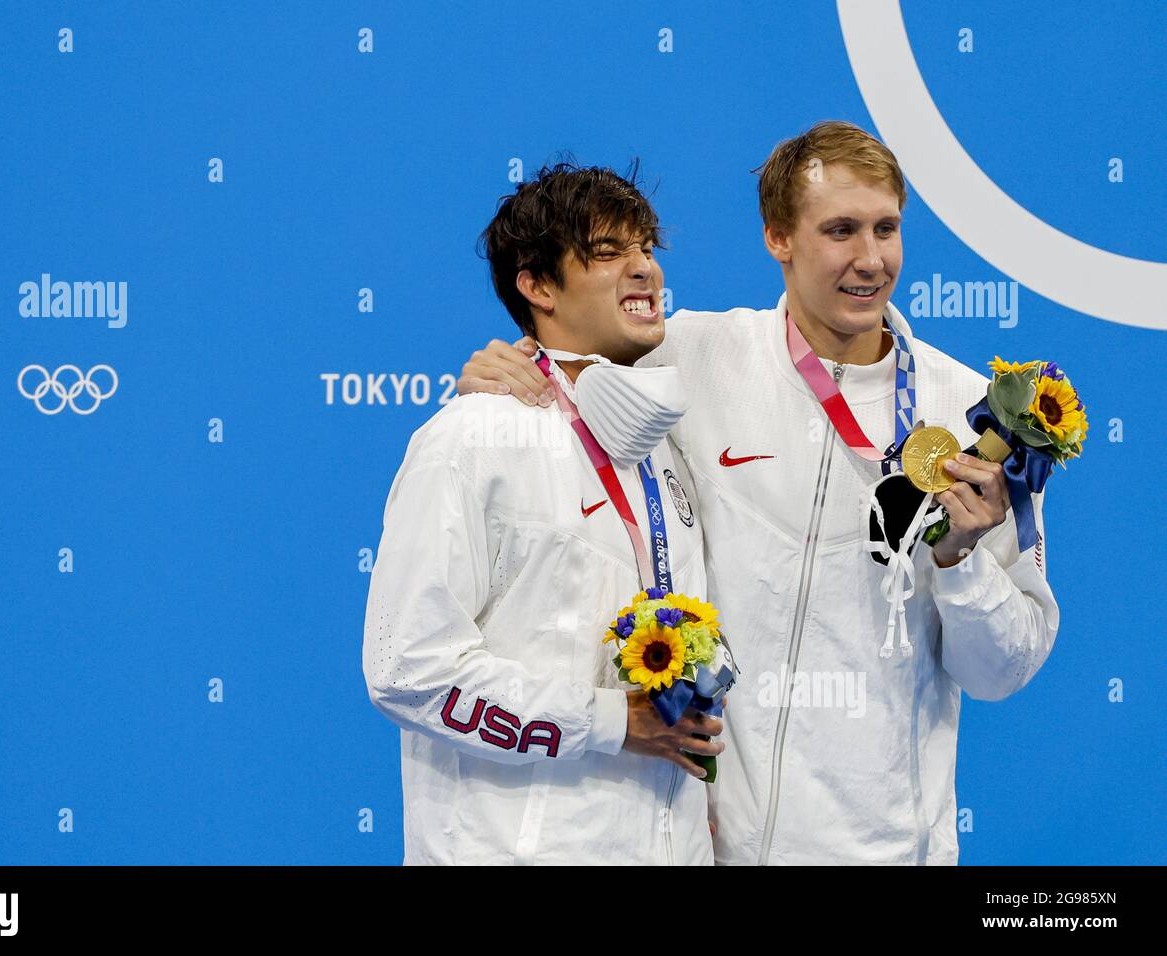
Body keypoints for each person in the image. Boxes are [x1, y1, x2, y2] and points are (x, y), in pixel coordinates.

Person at [456, 121, 1061, 865]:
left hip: (885, 851)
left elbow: (1005, 670)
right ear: (778, 237)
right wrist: (504, 364)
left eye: (886, 229)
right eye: (840, 230)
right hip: (711, 847)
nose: (870, 259)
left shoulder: (969, 412)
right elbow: (575, 352)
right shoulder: (690, 358)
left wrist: (960, 562)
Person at [362, 161, 724, 865]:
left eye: (646, 249)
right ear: (537, 285)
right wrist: (613, 721)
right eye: (609, 252)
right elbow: (406, 667)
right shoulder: (472, 438)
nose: (644, 269)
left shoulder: (661, 450)